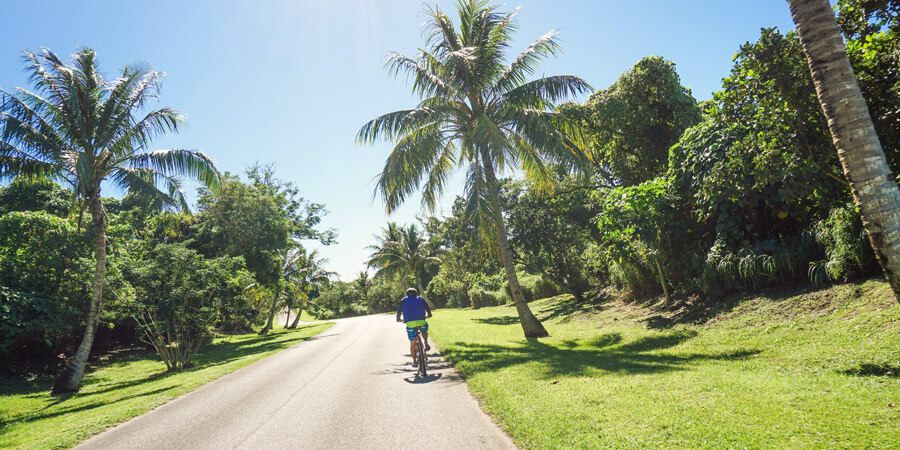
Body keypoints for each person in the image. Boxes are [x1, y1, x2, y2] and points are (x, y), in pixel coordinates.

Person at [396, 287, 432, 367]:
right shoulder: (420, 298)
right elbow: (427, 308)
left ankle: (414, 362)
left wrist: (398, 319)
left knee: (412, 343)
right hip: (421, 321)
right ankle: (425, 342)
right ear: (416, 294)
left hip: (410, 323)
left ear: (407, 294)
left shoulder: (403, 300)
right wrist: (429, 314)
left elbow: (399, 311)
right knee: (424, 328)